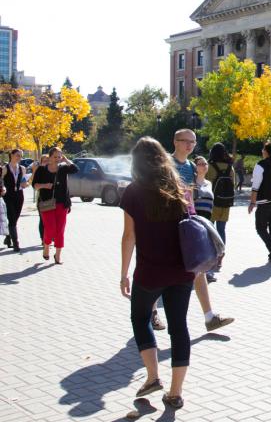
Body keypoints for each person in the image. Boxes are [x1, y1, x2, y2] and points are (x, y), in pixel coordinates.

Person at [120, 137, 194, 410]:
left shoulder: (133, 191)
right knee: (179, 327)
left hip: (150, 272)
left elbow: (129, 236)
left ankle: (153, 376)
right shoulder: (179, 187)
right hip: (181, 271)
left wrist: (124, 273)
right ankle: (175, 392)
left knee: (140, 318)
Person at [150, 129, 233, 333]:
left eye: (193, 142)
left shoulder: (190, 167)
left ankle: (210, 317)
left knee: (198, 267)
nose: (189, 145)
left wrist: (193, 217)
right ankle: (151, 312)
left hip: (186, 222)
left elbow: (190, 196)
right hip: (166, 223)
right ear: (175, 142)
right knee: (160, 269)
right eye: (185, 141)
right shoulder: (164, 164)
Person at [31, 147, 78, 264]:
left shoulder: (63, 169)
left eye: (59, 157)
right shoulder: (41, 169)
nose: (57, 159)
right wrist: (44, 186)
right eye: (55, 157)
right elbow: (34, 185)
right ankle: (46, 246)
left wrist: (66, 160)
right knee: (50, 228)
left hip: (62, 203)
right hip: (46, 203)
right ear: (50, 157)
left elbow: (75, 169)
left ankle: (58, 255)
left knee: (60, 230)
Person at [205, 142, 236, 250]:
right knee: (221, 229)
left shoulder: (209, 167)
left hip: (212, 202)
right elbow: (234, 184)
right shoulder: (230, 167)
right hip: (226, 202)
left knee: (210, 228)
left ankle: (210, 251)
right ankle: (221, 252)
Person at [192, 156, 216, 283]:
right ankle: (197, 273)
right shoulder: (192, 183)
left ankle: (206, 272)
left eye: (205, 163)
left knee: (207, 246)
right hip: (195, 219)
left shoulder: (209, 183)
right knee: (197, 247)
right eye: (200, 164)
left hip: (208, 219)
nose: (204, 166)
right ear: (195, 167)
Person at [2, 149, 28, 252]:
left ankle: (8, 237)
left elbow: (24, 181)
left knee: (15, 218)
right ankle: (16, 243)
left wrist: (25, 184)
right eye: (17, 155)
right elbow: (0, 181)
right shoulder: (5, 168)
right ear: (11, 155)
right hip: (8, 196)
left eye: (21, 156)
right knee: (12, 218)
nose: (19, 158)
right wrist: (2, 188)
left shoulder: (22, 168)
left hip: (19, 196)